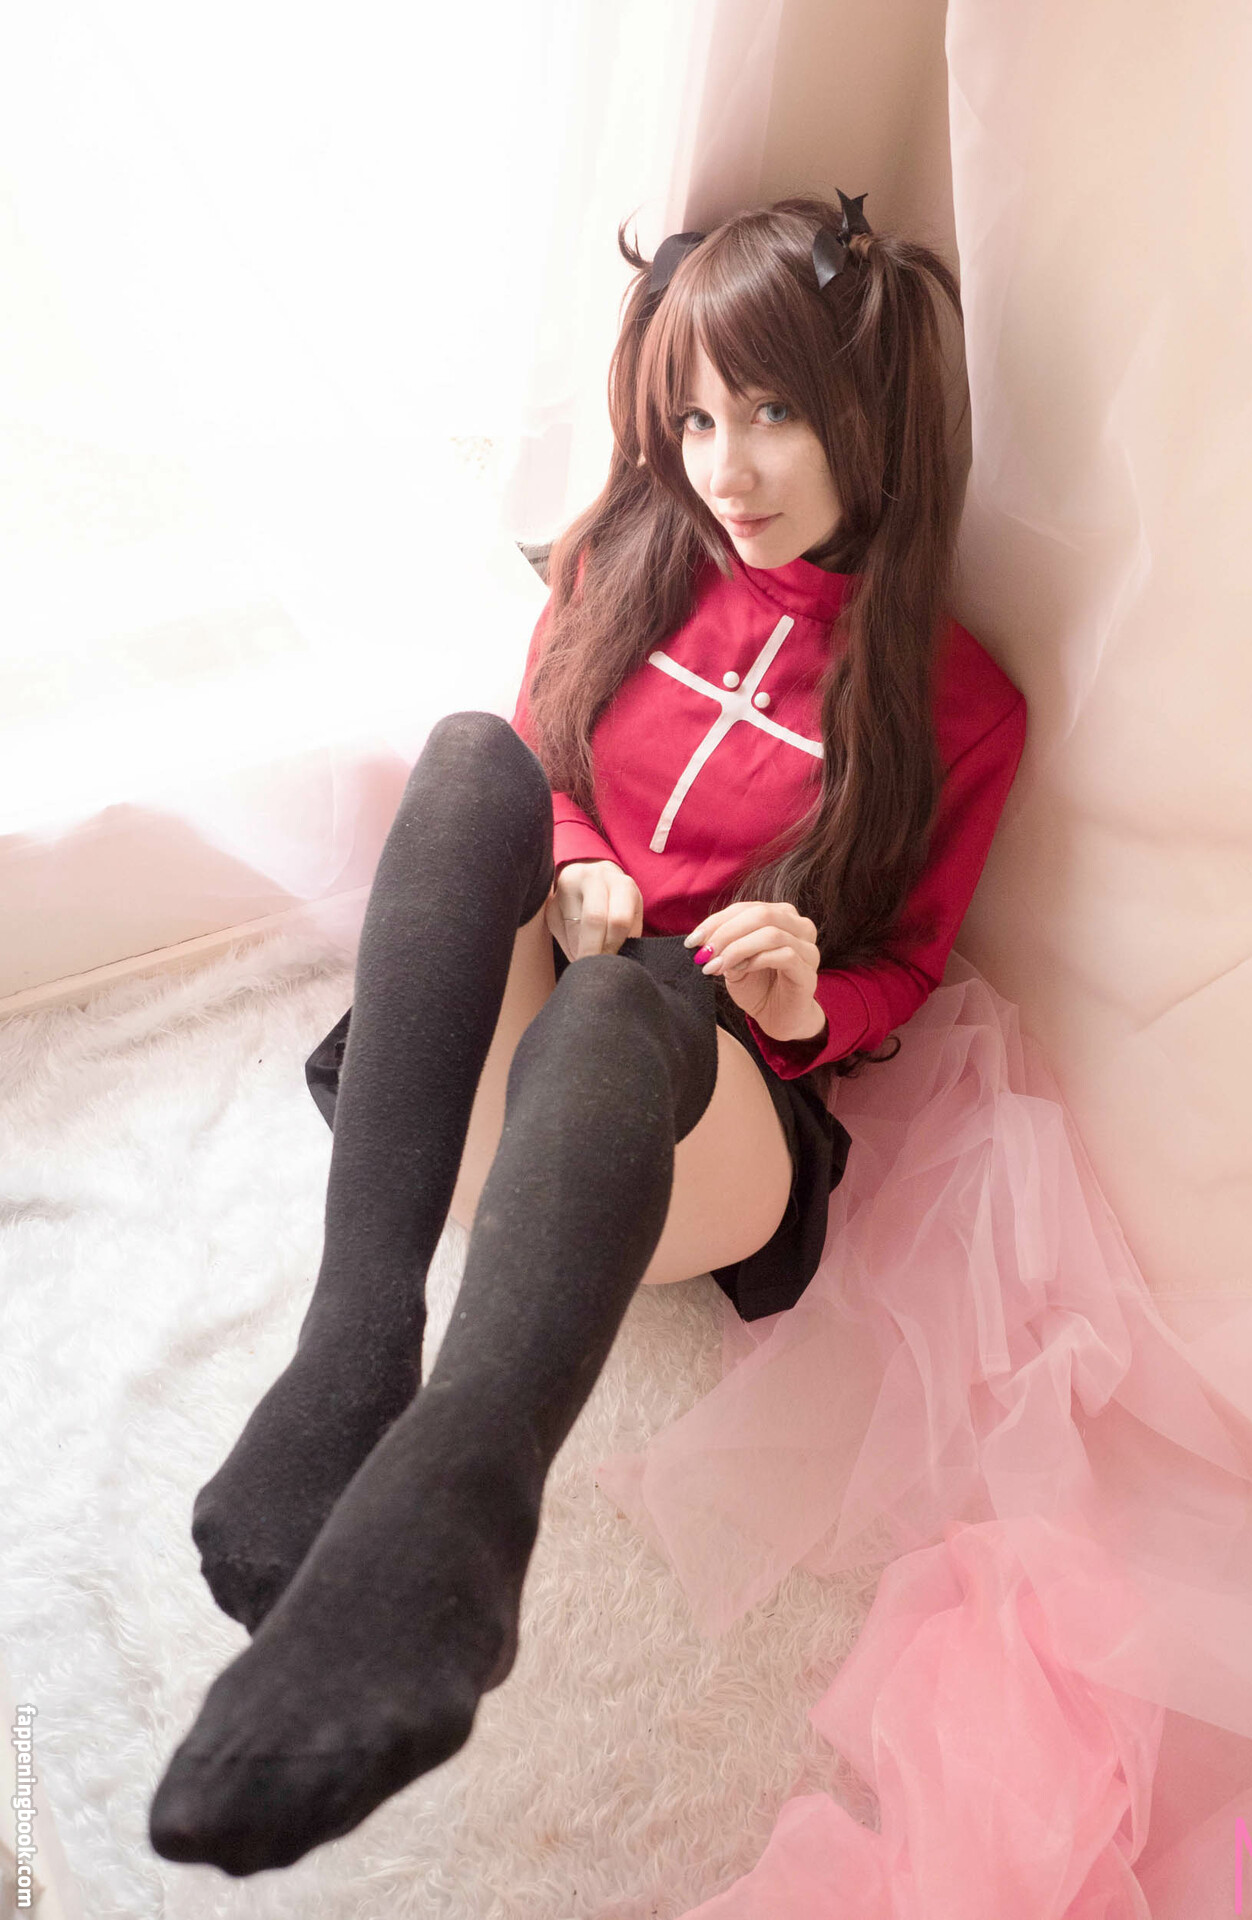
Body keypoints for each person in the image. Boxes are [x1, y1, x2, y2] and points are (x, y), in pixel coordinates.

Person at [148, 189, 1027, 1878]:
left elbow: (907, 965)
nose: (726, 468)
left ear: (872, 418)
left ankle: (457, 1511)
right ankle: (349, 1356)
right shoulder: (624, 559)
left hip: (706, 1126)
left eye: (772, 412)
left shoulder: (959, 705)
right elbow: (540, 773)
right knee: (470, 754)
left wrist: (804, 995)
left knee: (639, 997)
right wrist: (575, 862)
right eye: (693, 418)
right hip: (517, 1063)